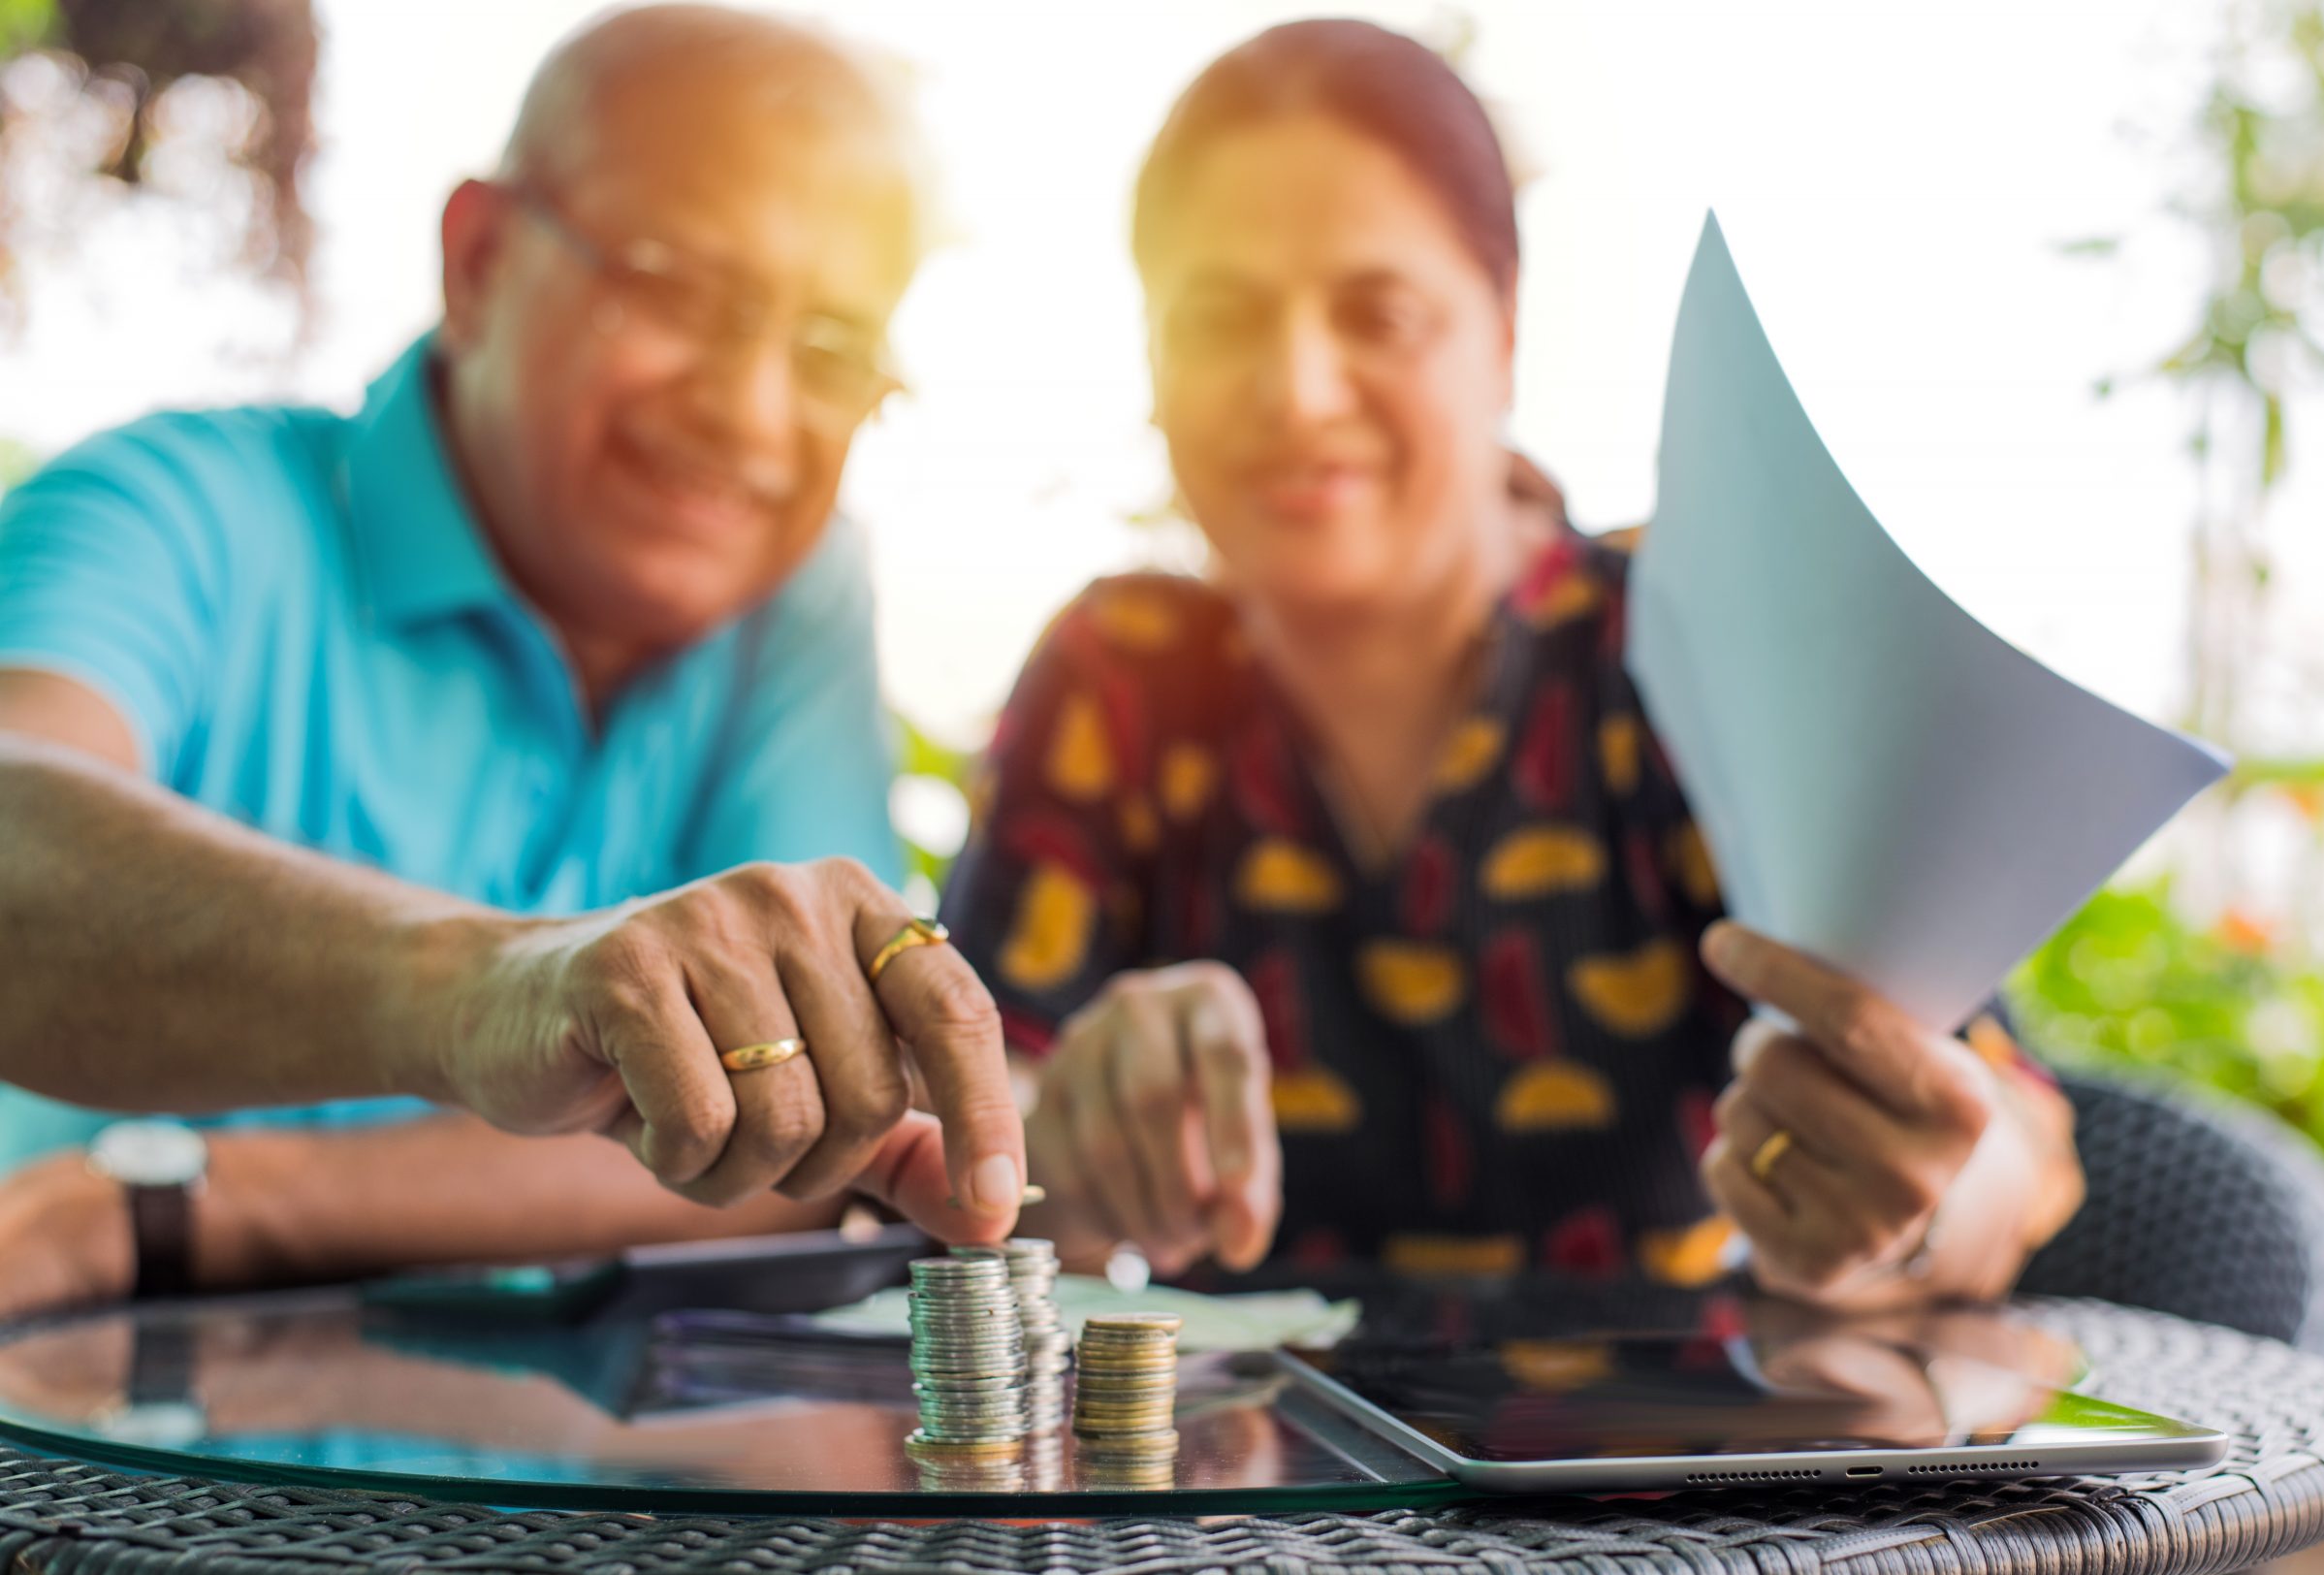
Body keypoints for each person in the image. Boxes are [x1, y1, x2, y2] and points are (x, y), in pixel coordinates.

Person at [939, 19, 2087, 1308]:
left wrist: (1913, 1203)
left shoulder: (1690, 642)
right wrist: (1067, 1140)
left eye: (1378, 311)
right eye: (1218, 317)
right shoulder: (1119, 677)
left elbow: (2008, 1135)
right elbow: (969, 1110)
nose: (1300, 388)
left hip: (1678, 1493)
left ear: (1505, 328)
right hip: (1236, 1500)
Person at [0, 4, 1026, 1321]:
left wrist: (186, 1205)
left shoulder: (796, 591)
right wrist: (488, 983)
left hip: (547, 1506)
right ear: (478, 259)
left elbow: (809, 1127)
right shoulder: (175, 504)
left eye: (830, 349)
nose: (752, 412)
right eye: (674, 288)